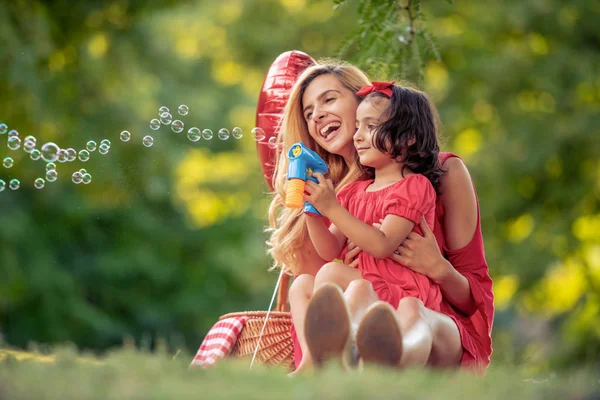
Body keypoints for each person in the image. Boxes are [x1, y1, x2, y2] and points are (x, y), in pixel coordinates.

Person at [265, 59, 494, 374]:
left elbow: (475, 302)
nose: (316, 115)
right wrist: (315, 209)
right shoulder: (341, 193)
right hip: (366, 312)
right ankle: (325, 368)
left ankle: (380, 357)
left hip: (433, 322)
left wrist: (438, 267)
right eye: (308, 113)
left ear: (362, 101)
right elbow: (323, 279)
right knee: (319, 282)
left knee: (362, 292)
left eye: (329, 99)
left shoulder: (433, 175)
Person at [298, 81, 445, 368]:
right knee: (302, 284)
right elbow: (329, 249)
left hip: (398, 293)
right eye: (357, 127)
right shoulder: (353, 192)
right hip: (365, 284)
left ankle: (343, 355)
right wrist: (312, 211)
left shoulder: (414, 186)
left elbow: (381, 244)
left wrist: (332, 208)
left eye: (370, 126)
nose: (357, 136)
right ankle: (310, 362)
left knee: (334, 275)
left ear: (410, 137)